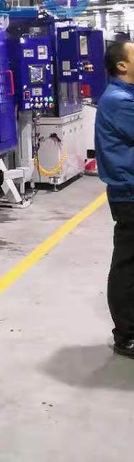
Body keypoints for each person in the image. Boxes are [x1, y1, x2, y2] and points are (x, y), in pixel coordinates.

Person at [96, 39, 134, 356]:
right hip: (130, 193)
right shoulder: (119, 101)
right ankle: (127, 335)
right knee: (128, 264)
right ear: (122, 65)